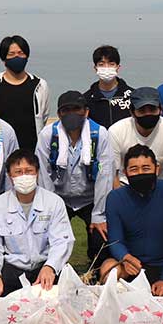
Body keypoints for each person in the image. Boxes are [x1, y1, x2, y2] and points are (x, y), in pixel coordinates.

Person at [0, 149, 75, 300]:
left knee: (68, 296)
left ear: (37, 173)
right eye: (18, 172)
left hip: (45, 267)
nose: (24, 176)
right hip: (12, 269)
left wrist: (51, 267)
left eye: (28, 171)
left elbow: (62, 241)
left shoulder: (54, 202)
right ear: (10, 177)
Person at [36, 90, 115, 271]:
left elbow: (105, 175)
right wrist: (50, 209)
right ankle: (51, 272)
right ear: (59, 113)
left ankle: (96, 273)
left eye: (76, 109)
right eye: (66, 110)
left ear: (86, 112)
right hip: (59, 197)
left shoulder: (100, 134)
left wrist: (99, 215)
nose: (71, 114)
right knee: (47, 236)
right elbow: (43, 173)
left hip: (90, 198)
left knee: (101, 236)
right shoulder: (48, 135)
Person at [99, 145, 163, 294]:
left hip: (161, 265)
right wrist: (125, 257)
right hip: (130, 264)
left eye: (146, 168)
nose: (140, 173)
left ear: (157, 169)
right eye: (134, 169)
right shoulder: (115, 198)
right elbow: (115, 240)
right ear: (125, 172)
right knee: (108, 269)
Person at [108, 87, 163, 187]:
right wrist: (121, 197)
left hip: (159, 185)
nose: (148, 114)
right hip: (125, 185)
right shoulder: (116, 131)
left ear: (160, 109)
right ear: (132, 112)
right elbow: (112, 173)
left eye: (152, 109)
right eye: (142, 110)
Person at [0, 34, 49, 152]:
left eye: (21, 53)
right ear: (4, 59)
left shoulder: (40, 85)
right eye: (11, 54)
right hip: (0, 151)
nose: (17, 57)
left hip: (32, 151)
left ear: (27, 56)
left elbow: (44, 115)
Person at [83, 44, 133, 127]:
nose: (106, 68)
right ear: (95, 68)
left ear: (118, 67)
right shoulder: (86, 99)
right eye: (101, 64)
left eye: (111, 64)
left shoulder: (132, 96)